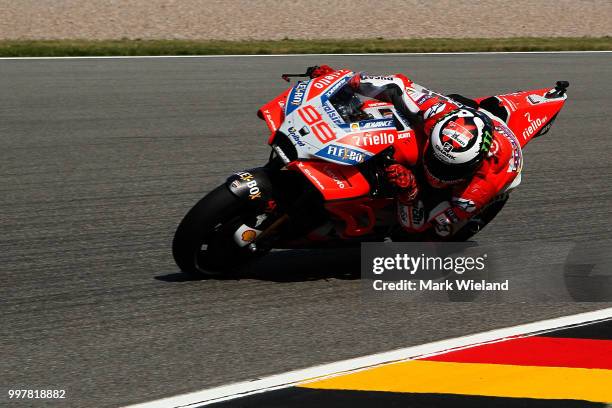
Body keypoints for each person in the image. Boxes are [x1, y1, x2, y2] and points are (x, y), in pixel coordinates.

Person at [307, 65, 523, 238]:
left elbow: (423, 226)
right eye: (437, 161)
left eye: (447, 168)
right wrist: (339, 80)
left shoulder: (478, 189)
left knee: (416, 239)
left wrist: (410, 192)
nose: (437, 171)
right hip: (463, 115)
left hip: (488, 175)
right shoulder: (436, 113)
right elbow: (396, 85)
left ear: (473, 165)